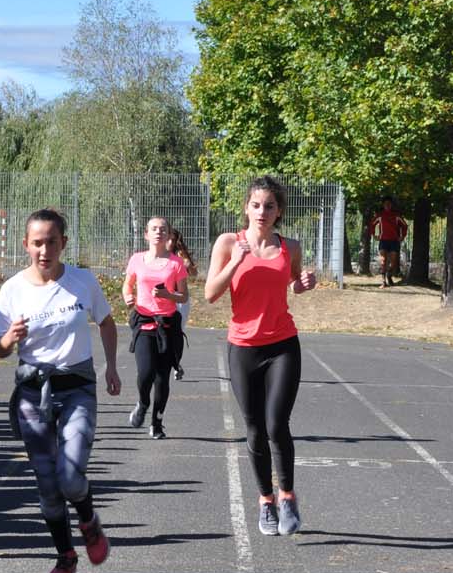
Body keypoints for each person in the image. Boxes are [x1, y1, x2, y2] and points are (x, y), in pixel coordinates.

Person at [0, 209, 120, 573]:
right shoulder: (12, 290)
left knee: (69, 474)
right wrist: (8, 339)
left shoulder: (82, 281)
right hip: (33, 393)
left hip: (77, 387)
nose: (44, 250)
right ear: (26, 245)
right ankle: (65, 555)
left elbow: (108, 322)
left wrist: (111, 367)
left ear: (63, 243)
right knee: (47, 484)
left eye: (51, 241)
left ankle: (88, 519)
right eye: (37, 243)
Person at [206, 176, 317, 537]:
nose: (262, 212)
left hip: (283, 344)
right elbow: (210, 294)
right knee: (253, 428)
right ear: (246, 207)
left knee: (276, 424)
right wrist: (234, 263)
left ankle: (287, 496)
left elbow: (295, 282)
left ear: (279, 211)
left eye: (270, 206)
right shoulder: (228, 243)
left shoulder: (290, 246)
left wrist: (303, 284)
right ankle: (266, 500)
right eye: (256, 205)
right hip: (243, 347)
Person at [121, 216, 190, 440]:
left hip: (167, 324)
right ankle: (142, 403)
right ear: (146, 234)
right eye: (154, 229)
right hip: (144, 321)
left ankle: (157, 423)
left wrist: (167, 295)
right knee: (145, 372)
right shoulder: (137, 259)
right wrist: (128, 297)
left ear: (169, 235)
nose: (159, 232)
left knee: (162, 378)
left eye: (163, 229)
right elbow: (127, 285)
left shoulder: (175, 263)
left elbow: (184, 295)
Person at [167, 225, 197, 381]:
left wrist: (186, 263)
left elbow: (194, 273)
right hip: (164, 298)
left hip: (180, 299)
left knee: (177, 332)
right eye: (168, 238)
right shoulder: (159, 255)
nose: (170, 242)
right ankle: (168, 362)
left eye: (173, 239)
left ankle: (176, 365)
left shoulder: (180, 255)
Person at [366, 196, 407, 287]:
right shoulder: (380, 215)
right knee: (383, 261)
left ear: (391, 205)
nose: (387, 205)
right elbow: (372, 224)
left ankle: (389, 275)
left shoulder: (396, 215)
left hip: (394, 241)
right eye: (385, 204)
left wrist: (402, 236)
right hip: (383, 241)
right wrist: (374, 234)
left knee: (392, 262)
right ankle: (383, 281)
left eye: (389, 204)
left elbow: (404, 225)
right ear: (383, 205)